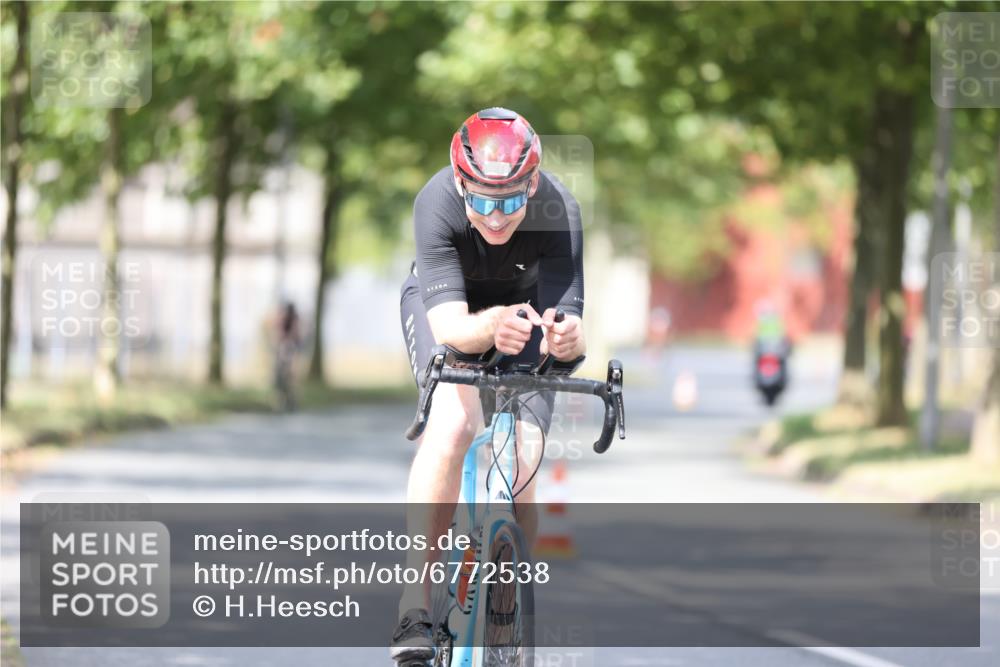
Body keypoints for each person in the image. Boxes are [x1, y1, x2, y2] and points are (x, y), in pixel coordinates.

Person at [392, 108, 587, 663]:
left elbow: (566, 316)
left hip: (525, 314)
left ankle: (509, 603)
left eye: (508, 201)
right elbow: (453, 328)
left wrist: (566, 339)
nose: (495, 217)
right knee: (454, 425)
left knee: (524, 454)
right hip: (451, 309)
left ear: (532, 184)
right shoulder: (435, 202)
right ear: (460, 184)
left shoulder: (559, 209)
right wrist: (490, 327)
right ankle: (416, 604)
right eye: (480, 200)